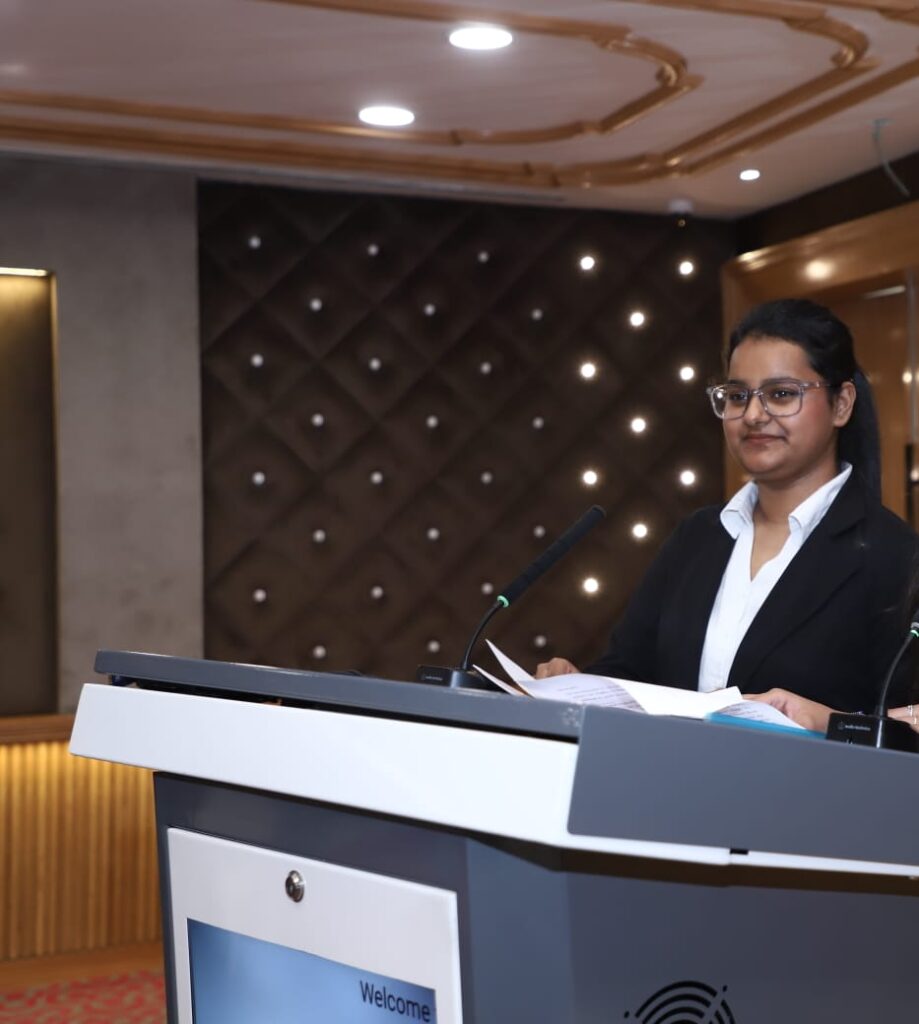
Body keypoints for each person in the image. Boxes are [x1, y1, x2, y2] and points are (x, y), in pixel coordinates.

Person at [536, 298, 919, 715]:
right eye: (737, 396)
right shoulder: (698, 536)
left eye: (782, 394)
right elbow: (634, 672)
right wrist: (578, 683)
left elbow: (906, 729)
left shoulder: (896, 558)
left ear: (841, 403)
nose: (753, 414)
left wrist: (829, 723)